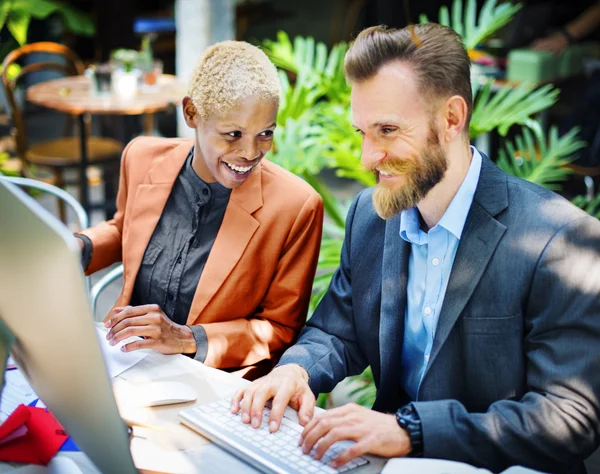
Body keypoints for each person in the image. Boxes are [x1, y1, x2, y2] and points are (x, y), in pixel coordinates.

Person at [231, 24, 600, 472]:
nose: (368, 157)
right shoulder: (371, 213)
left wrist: (411, 430)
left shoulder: (560, 239)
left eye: (388, 130)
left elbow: (568, 417)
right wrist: (297, 371)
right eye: (363, 131)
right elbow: (337, 329)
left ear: (451, 118)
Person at [76, 41, 324, 379]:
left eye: (265, 133)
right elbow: (126, 230)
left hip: (218, 383)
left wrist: (185, 338)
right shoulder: (141, 156)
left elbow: (279, 328)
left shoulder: (296, 207)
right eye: (232, 134)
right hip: (125, 362)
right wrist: (80, 248)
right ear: (191, 113)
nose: (251, 152)